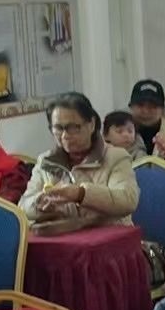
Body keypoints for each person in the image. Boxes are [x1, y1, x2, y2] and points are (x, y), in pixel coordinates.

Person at [20, 92, 140, 233]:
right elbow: (23, 206)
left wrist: (81, 194)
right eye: (58, 128)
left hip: (109, 242)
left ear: (91, 124)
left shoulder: (116, 157)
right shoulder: (46, 161)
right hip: (64, 240)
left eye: (73, 127)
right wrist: (39, 203)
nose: (65, 136)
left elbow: (127, 201)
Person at [128, 79, 165, 155]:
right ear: (130, 107)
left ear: (163, 110)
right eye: (140, 105)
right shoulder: (115, 134)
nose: (146, 111)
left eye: (153, 106)